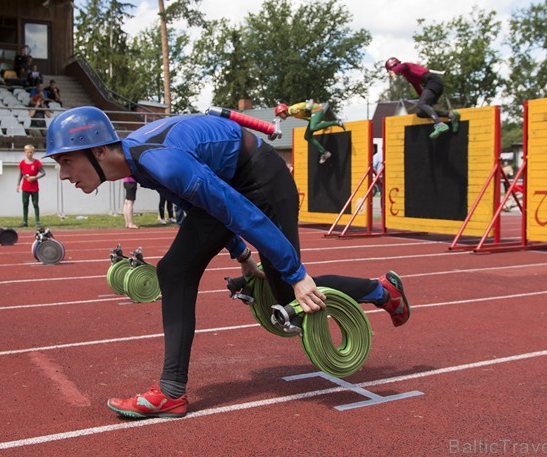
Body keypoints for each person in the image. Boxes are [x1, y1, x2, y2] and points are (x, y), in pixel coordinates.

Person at [45, 106, 411, 418]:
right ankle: (172, 391)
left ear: (99, 149)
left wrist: (295, 273)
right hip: (232, 181)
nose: (63, 174)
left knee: (287, 294)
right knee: (175, 270)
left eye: (66, 161)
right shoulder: (140, 163)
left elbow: (238, 210)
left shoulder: (161, 161)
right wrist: (242, 255)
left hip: (263, 179)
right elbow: (199, 205)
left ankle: (382, 290)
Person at [384, 57, 460, 139]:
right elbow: (418, 88)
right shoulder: (408, 76)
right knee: (421, 113)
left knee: (422, 104)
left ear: (394, 66)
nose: (390, 73)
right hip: (431, 85)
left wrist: (393, 72)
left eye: (390, 70)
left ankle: (439, 124)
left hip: (433, 81)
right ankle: (451, 115)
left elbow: (401, 67)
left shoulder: (406, 65)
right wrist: (423, 101)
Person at [274, 100, 346, 164]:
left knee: (313, 127)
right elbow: (308, 118)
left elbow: (295, 109)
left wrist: (297, 110)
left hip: (316, 110)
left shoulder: (291, 110)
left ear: (284, 111)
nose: (280, 117)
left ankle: (337, 122)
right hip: (314, 113)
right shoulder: (293, 115)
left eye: (280, 114)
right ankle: (324, 153)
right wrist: (321, 124)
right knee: (307, 136)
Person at [16, 144, 45, 227]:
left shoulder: (37, 162)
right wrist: (18, 184)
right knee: (25, 204)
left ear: (33, 152)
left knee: (35, 203)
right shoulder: (22, 163)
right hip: (25, 187)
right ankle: (25, 221)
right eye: (28, 152)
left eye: (31, 152)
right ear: (25, 152)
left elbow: (43, 173)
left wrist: (35, 177)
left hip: (34, 187)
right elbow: (20, 175)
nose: (29, 154)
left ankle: (37, 221)